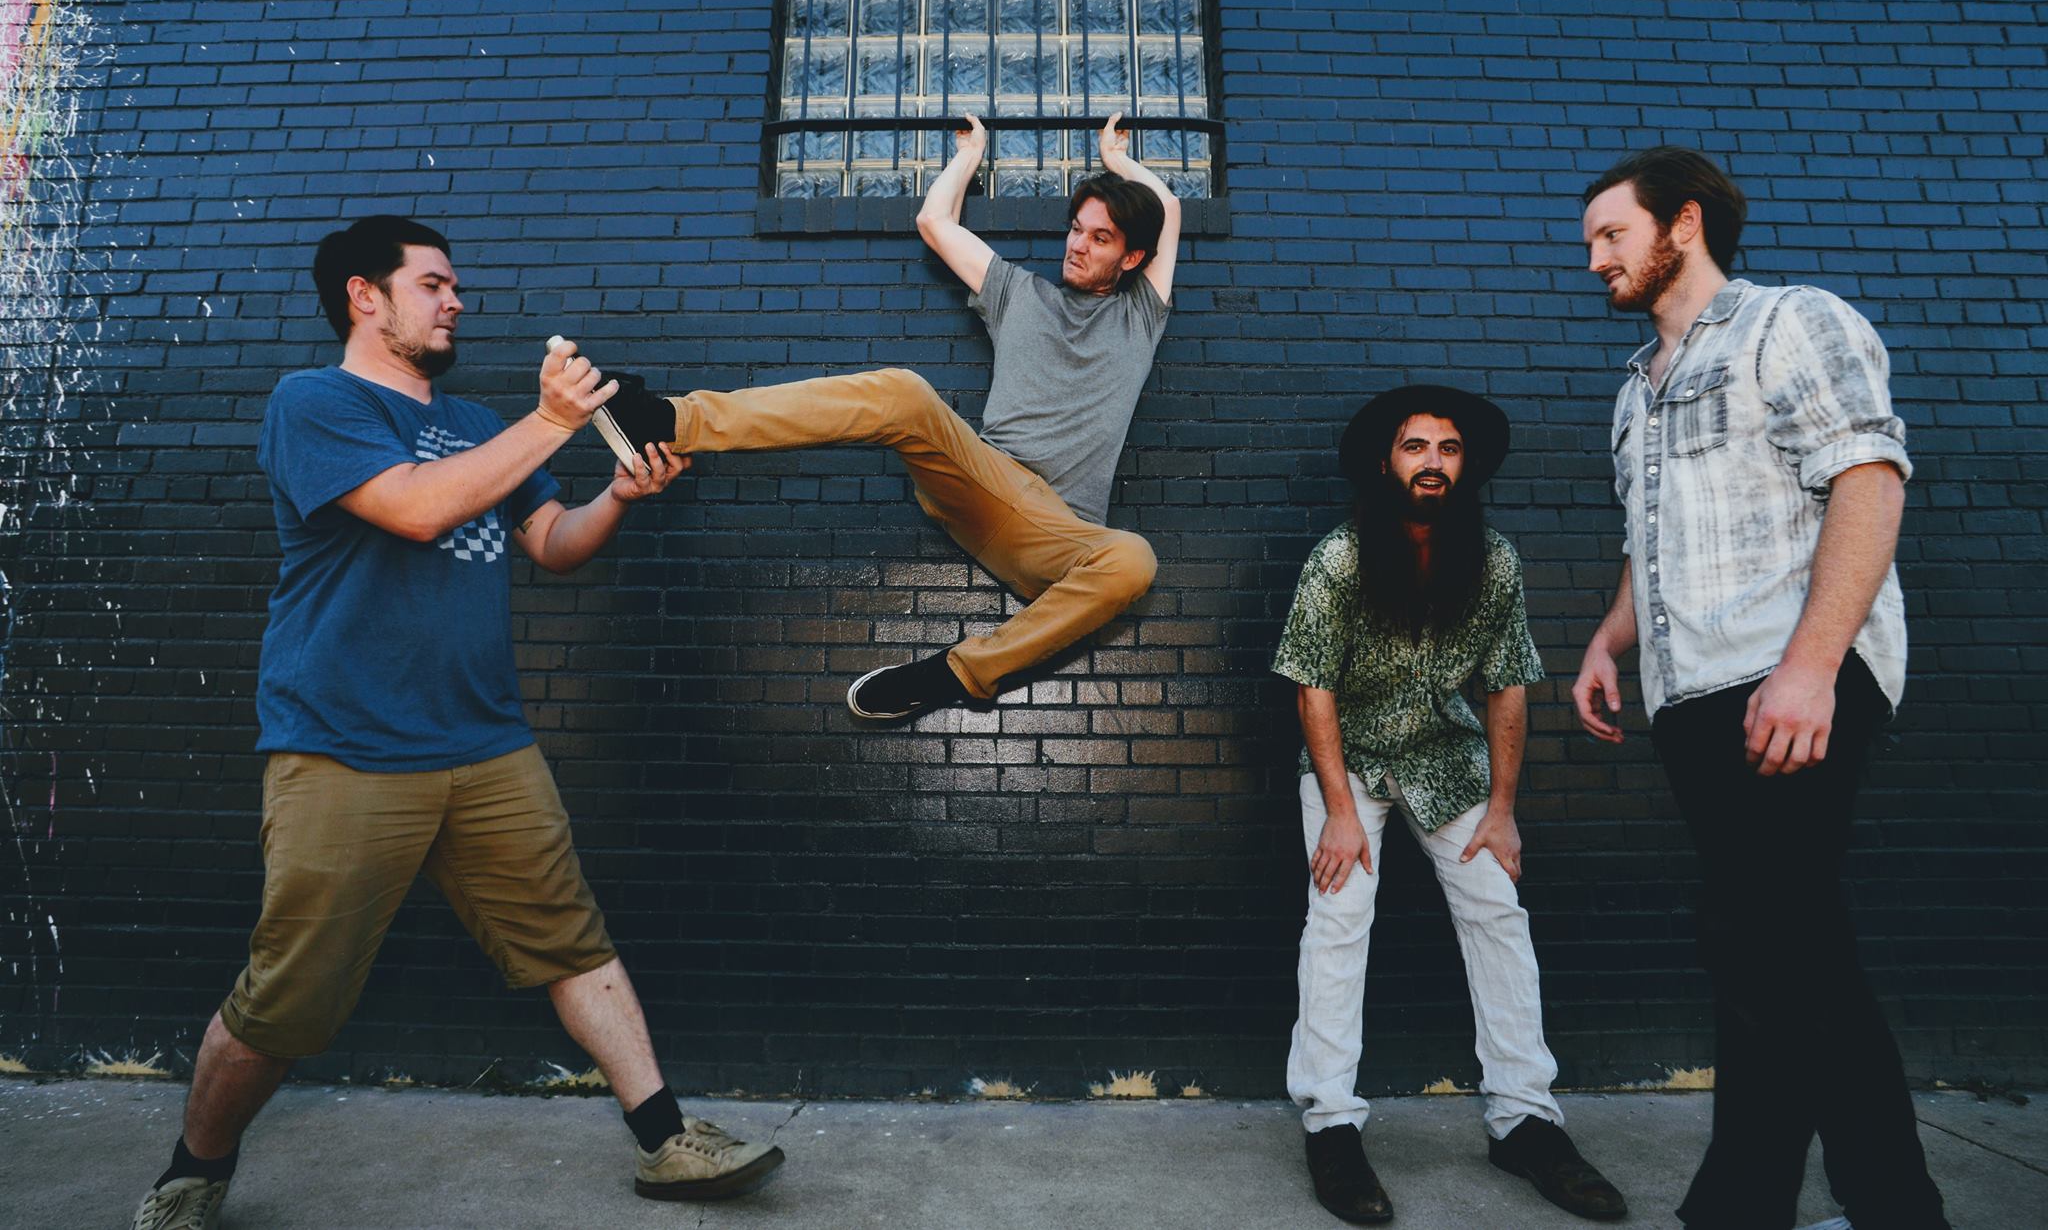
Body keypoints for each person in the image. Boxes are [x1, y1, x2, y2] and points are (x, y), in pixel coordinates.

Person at [132, 217, 783, 1230]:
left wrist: (613, 491)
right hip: (343, 745)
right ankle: (194, 1168)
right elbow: (416, 508)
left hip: (484, 743)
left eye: (455, 286)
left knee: (571, 940)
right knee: (288, 996)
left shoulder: (483, 420)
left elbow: (552, 544)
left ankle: (667, 1139)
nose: (455, 301)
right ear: (364, 296)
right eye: (432, 283)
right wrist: (554, 421)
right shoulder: (315, 402)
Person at [1571, 147, 1950, 1230]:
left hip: (1783, 678)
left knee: (1774, 940)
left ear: (1679, 223)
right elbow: (1654, 544)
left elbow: (1867, 481)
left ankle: (1884, 1209)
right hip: (1692, 695)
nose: (1593, 258)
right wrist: (1608, 637)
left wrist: (1809, 665)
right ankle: (1750, 1206)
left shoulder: (1789, 321)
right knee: (1767, 949)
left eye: (1610, 234)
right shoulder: (1633, 390)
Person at [589, 113, 1178, 723]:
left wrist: (1119, 162)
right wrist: (970, 155)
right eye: (1076, 230)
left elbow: (1170, 211)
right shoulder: (1016, 293)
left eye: (1100, 238)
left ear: (1133, 257)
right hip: (984, 483)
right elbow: (934, 222)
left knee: (1134, 559)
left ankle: (953, 675)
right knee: (903, 393)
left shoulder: (1140, 320)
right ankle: (665, 421)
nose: (1077, 245)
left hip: (1055, 539)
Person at [1273, 386, 1627, 1225]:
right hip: (1347, 764)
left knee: (1498, 913)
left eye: (1449, 448)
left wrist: (1503, 810)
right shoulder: (1340, 558)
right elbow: (1311, 689)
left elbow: (1507, 687)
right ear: (1387, 462)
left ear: (1465, 466)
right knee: (1338, 920)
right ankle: (1330, 1124)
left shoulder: (1493, 559)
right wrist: (1340, 814)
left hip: (1447, 759)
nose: (1432, 461)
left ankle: (1526, 1122)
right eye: (1415, 446)